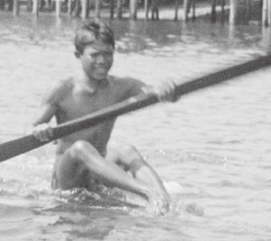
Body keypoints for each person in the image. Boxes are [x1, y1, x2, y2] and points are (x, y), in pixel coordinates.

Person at [31, 22, 176, 212]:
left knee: (127, 150)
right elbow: (34, 126)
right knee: (81, 147)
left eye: (107, 54)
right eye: (95, 54)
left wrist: (166, 90)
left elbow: (155, 93)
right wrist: (39, 129)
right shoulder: (62, 89)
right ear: (78, 56)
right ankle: (146, 192)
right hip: (67, 176)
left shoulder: (122, 87)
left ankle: (164, 200)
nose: (102, 60)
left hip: (98, 173)